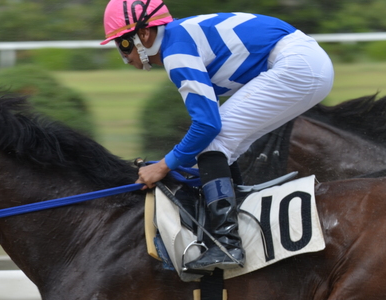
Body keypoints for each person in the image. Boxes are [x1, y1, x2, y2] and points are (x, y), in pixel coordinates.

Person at [101, 0, 334, 271]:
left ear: (143, 34)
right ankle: (236, 226)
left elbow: (207, 125)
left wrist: (164, 166)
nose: (123, 54)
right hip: (303, 62)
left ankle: (226, 244)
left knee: (214, 142)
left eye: (123, 44)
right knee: (220, 147)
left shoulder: (176, 51)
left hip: (297, 65)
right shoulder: (178, 40)